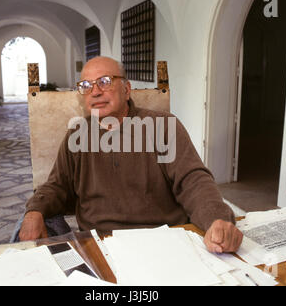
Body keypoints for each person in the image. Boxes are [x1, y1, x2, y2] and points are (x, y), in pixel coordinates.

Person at [19, 56, 243, 253]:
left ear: (126, 89)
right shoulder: (77, 134)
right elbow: (57, 185)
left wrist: (217, 219)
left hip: (164, 240)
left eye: (105, 82)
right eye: (86, 86)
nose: (95, 91)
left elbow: (194, 181)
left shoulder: (164, 126)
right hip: (102, 244)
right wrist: (35, 210)